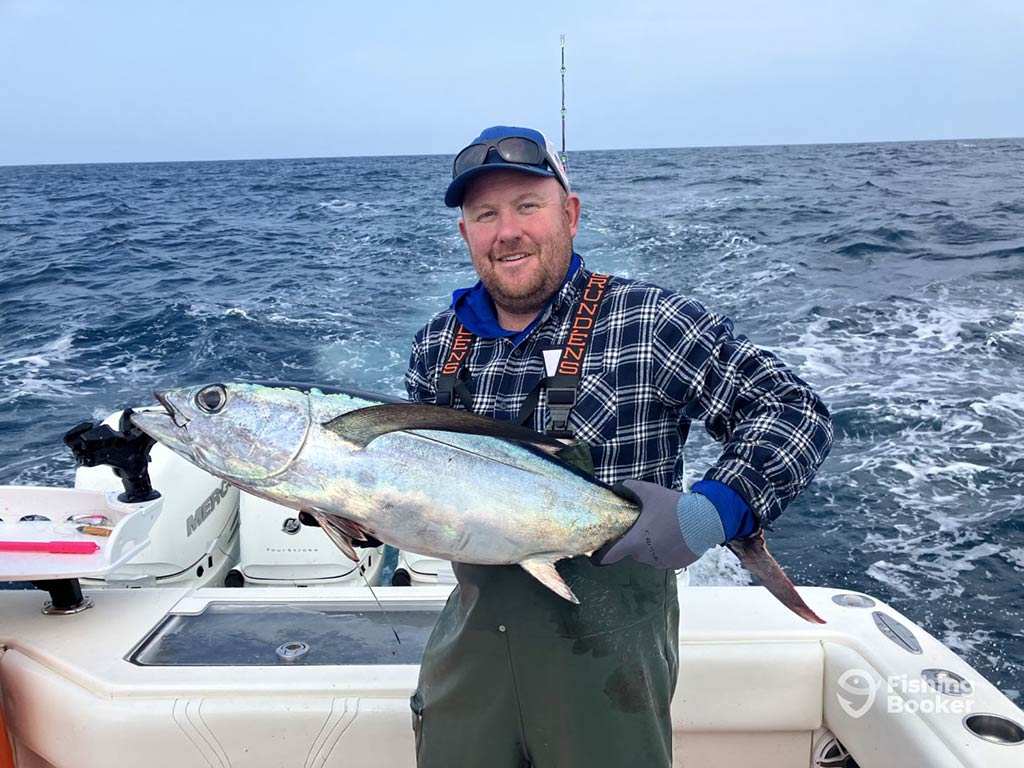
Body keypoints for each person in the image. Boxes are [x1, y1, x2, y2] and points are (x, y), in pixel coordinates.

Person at [404, 125, 833, 768]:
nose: (507, 231)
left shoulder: (649, 321)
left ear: (569, 214)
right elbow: (420, 484)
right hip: (469, 651)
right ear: (466, 232)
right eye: (485, 214)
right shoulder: (437, 346)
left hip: (610, 660)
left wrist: (714, 509)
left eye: (528, 206)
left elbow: (793, 410)